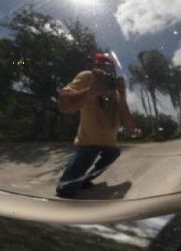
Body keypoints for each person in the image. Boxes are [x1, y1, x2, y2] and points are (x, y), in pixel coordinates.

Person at [55, 52, 135, 197]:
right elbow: (63, 105)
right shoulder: (88, 77)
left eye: (109, 69)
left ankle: (85, 179)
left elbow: (130, 129)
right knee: (64, 189)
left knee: (113, 154)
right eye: (100, 67)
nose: (105, 72)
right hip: (88, 142)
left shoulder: (116, 92)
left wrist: (122, 97)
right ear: (94, 68)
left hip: (110, 145)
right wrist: (92, 91)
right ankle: (72, 183)